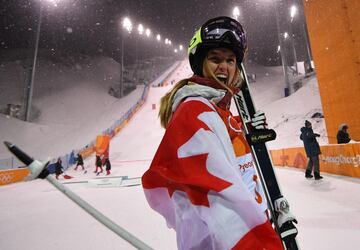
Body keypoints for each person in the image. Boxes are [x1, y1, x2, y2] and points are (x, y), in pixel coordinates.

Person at [142, 16, 283, 249]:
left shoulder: (218, 112)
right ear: (200, 64)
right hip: (232, 238)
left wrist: (245, 134)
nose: (224, 67)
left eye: (230, 60)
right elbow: (219, 195)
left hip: (251, 224)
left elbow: (228, 158)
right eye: (215, 59)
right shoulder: (196, 111)